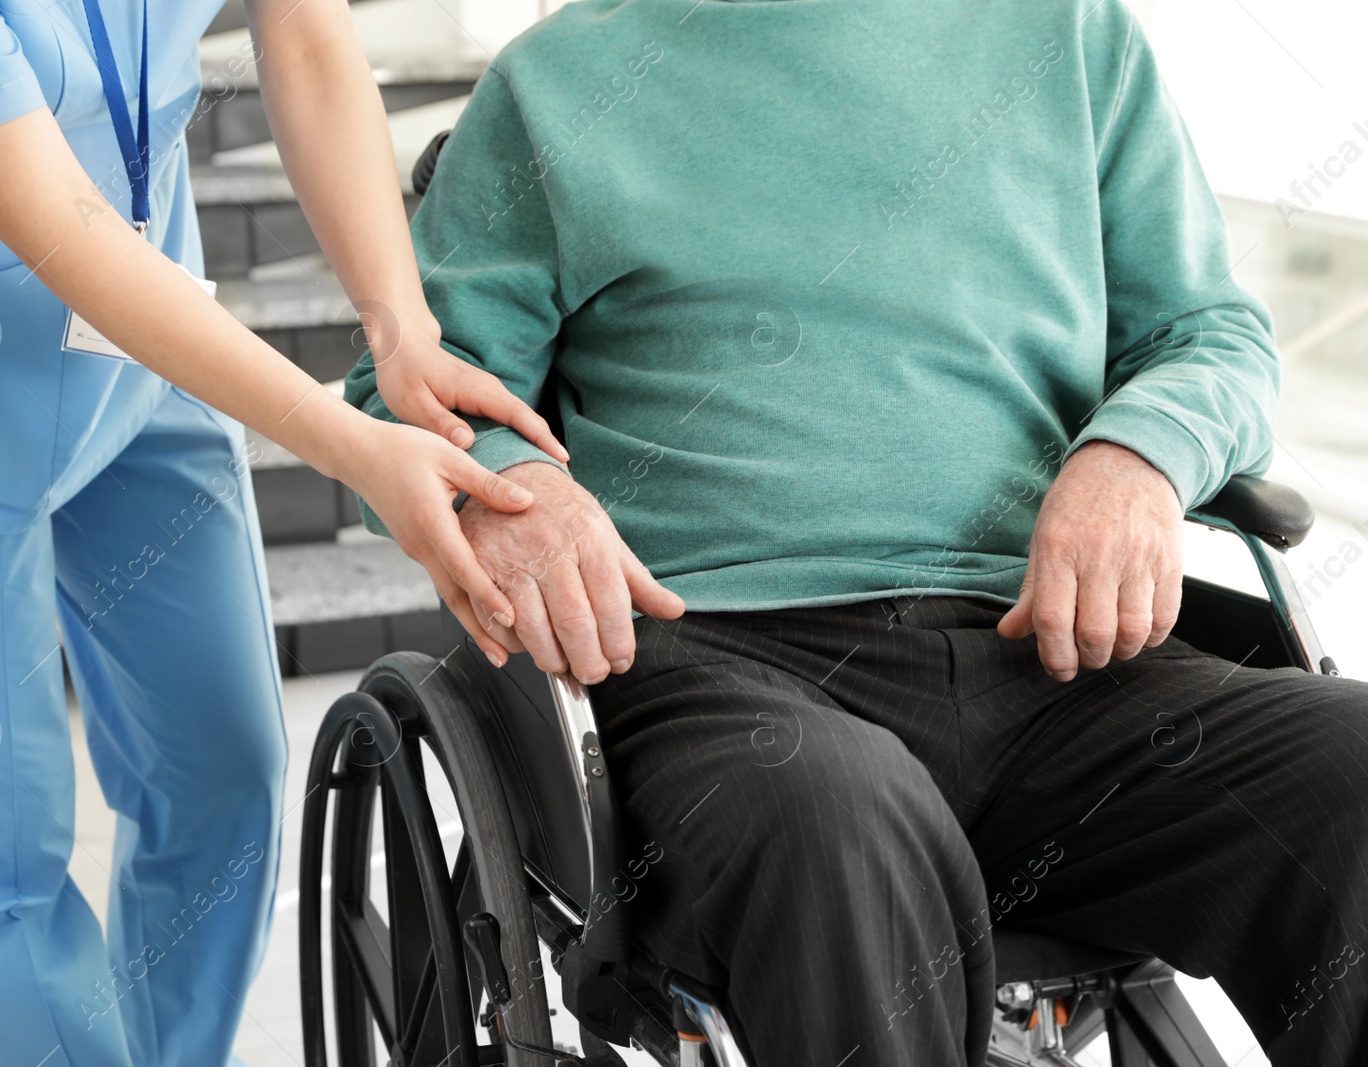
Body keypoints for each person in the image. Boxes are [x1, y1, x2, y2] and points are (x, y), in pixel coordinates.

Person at [345, 0, 1368, 1063]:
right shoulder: (558, 84)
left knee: (1351, 765)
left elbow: (1208, 334)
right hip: (720, 664)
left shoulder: (1067, 35)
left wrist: (1139, 455)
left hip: (1050, 657)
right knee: (835, 819)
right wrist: (511, 484)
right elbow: (404, 394)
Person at [0, 1, 567, 1064]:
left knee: (221, 769)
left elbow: (309, 35)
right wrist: (352, 443)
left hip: (144, 355)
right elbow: (58, 222)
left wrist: (402, 325)